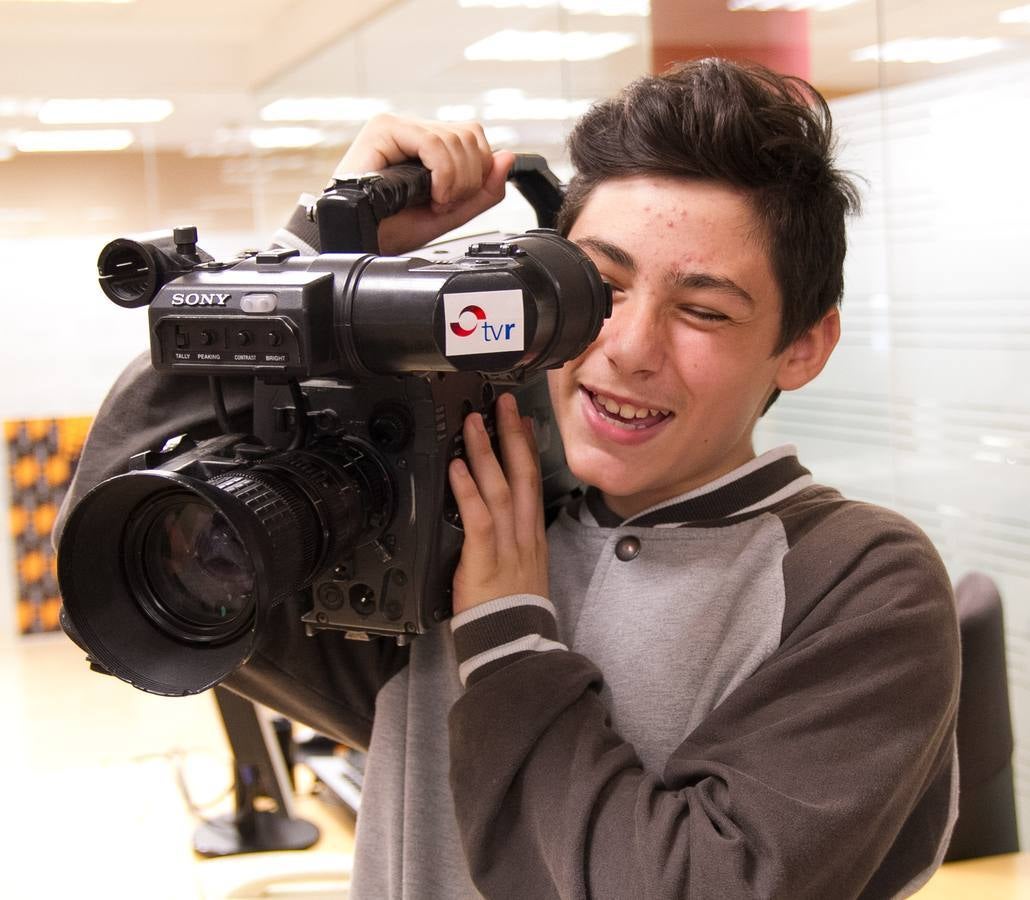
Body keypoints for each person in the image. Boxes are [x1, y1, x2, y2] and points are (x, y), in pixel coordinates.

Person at [57, 58, 959, 899]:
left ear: (802, 347)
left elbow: (693, 882)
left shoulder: (859, 581)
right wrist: (314, 260)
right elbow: (117, 545)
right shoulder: (450, 525)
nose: (630, 351)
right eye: (599, 289)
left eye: (703, 310)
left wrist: (507, 637)